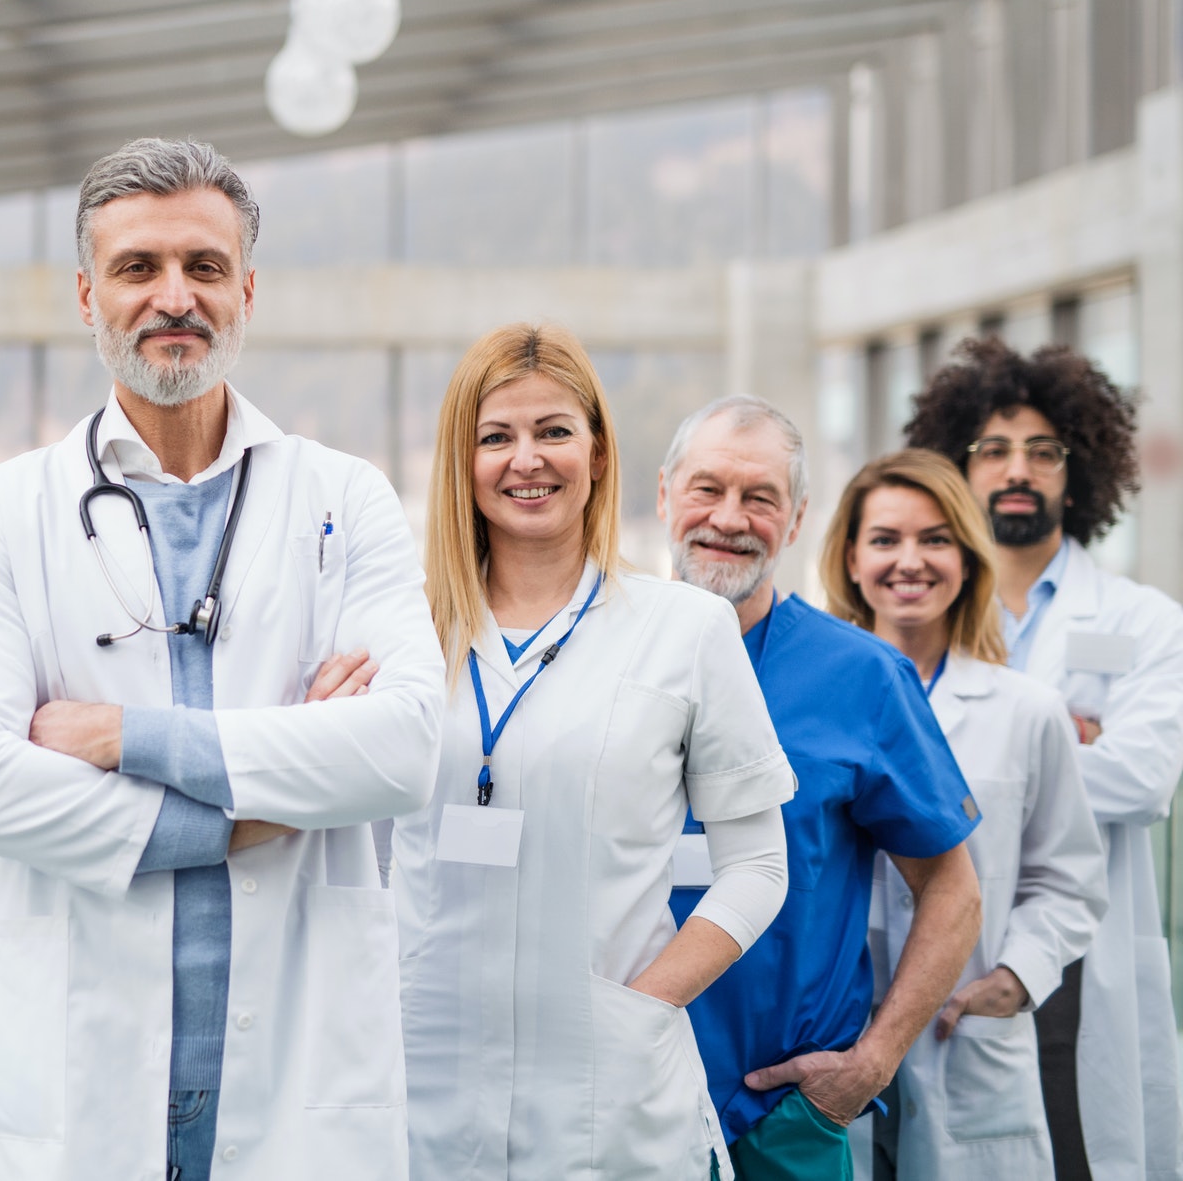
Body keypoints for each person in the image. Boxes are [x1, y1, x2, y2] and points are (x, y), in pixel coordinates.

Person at [0, 137, 444, 1181]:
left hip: (299, 1074)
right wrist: (263, 802)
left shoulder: (344, 498)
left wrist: (122, 738)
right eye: (136, 268)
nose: (173, 297)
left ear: (246, 290)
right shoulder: (0, 512)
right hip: (79, 1072)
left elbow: (403, 752)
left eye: (203, 268)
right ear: (84, 295)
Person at [391, 324, 794, 1179]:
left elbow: (758, 864)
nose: (525, 459)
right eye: (495, 436)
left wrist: (642, 1005)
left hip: (610, 1099)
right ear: (460, 462)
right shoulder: (396, 633)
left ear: (600, 453)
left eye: (554, 431)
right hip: (416, 1078)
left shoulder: (686, 629)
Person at [659, 395, 983, 1180]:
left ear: (797, 521)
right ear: (664, 495)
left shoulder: (863, 677)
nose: (728, 517)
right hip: (618, 1098)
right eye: (707, 489)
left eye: (760, 497)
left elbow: (953, 890)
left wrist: (869, 1064)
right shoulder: (596, 652)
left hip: (783, 1118)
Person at [907, 338, 1183, 1181]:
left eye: (1042, 450)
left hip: (1076, 959)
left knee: (1078, 1154)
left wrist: (982, 756)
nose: (1015, 469)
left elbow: (1142, 776)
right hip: (935, 946)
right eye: (992, 450)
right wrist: (1061, 738)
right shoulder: (915, 612)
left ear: (1080, 468)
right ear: (957, 466)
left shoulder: (1144, 620)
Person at [821, 448, 1106, 1179]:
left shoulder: (1027, 711)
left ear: (968, 558)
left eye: (935, 538)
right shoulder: (809, 704)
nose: (909, 560)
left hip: (961, 1039)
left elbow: (1068, 876)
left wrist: (1017, 974)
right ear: (850, 558)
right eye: (885, 539)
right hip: (829, 1037)